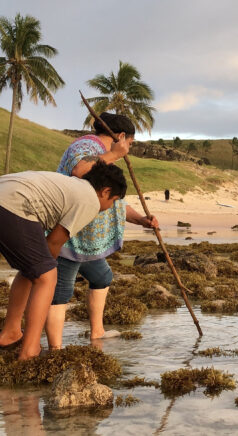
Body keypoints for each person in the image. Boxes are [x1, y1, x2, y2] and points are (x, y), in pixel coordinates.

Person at [0, 162, 127, 360]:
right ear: (105, 192)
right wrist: (47, 274)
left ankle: (10, 334)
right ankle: (29, 351)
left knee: (31, 271)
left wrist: (41, 267)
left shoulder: (73, 185)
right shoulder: (90, 200)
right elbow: (54, 243)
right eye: (113, 200)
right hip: (12, 206)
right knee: (46, 276)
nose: (111, 206)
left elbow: (47, 248)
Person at [45, 112, 159, 350]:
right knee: (61, 291)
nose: (129, 148)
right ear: (120, 137)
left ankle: (97, 332)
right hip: (70, 236)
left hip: (89, 242)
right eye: (130, 142)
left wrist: (141, 220)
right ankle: (55, 349)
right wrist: (115, 153)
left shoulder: (105, 158)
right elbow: (80, 169)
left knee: (102, 277)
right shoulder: (87, 145)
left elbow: (114, 200)